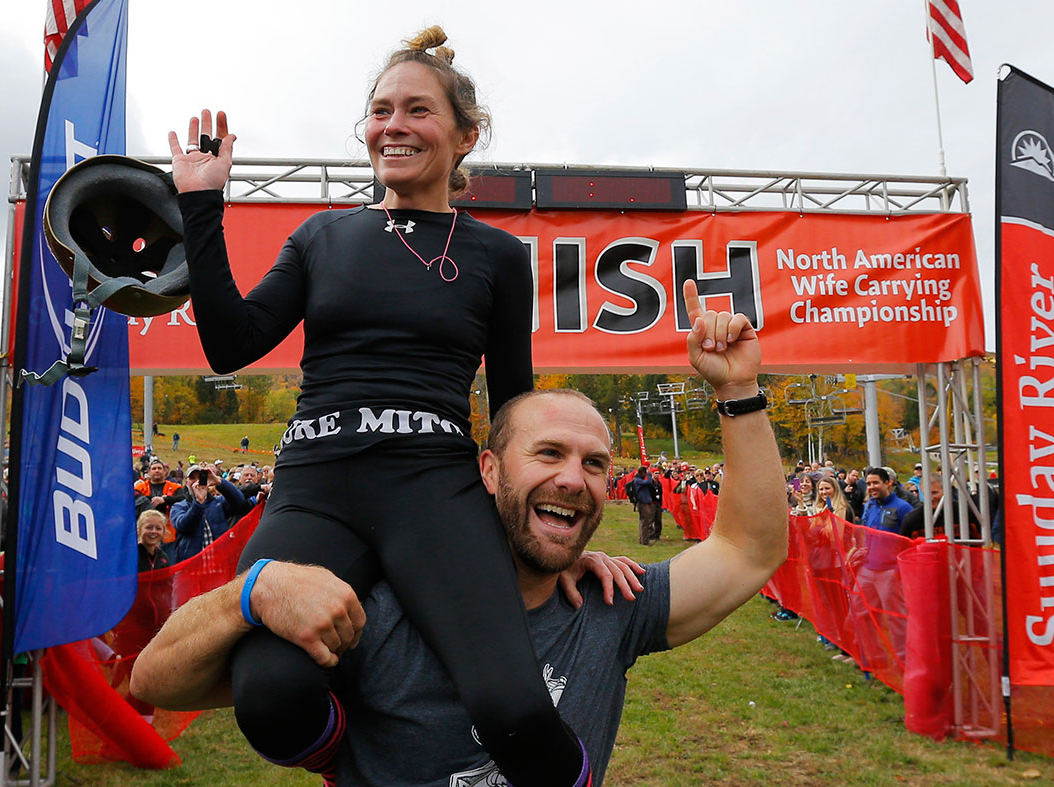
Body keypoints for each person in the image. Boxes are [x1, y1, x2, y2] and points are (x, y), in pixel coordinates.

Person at [132, 280, 787, 783]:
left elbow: (748, 548)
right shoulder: (378, 612)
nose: (573, 478)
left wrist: (740, 390)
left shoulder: (609, 607)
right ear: (490, 471)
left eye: (594, 464)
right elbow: (155, 681)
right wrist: (251, 589)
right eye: (549, 453)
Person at [165, 27, 591, 786]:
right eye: (380, 110)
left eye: (417, 110)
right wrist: (202, 203)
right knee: (269, 695)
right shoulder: (324, 235)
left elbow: (515, 403)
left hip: (436, 487)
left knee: (515, 714)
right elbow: (232, 343)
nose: (393, 125)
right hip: (318, 484)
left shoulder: (497, 256)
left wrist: (546, 524)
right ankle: (350, 764)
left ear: (465, 136)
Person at [169, 464, 250, 563]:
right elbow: (183, 526)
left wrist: (219, 482)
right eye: (192, 478)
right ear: (186, 483)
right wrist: (198, 503)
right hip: (192, 565)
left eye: (200, 477)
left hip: (220, 562)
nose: (196, 481)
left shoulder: (218, 502)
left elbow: (239, 501)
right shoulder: (178, 507)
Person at [861, 468, 913, 534]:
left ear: (887, 483)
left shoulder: (903, 507)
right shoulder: (868, 507)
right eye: (868, 484)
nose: (872, 487)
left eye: (875, 483)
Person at [631, 466, 662, 545]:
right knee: (645, 522)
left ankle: (643, 539)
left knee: (644, 521)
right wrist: (648, 474)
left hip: (645, 502)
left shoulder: (639, 480)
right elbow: (648, 482)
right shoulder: (637, 480)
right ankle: (645, 540)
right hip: (642, 503)